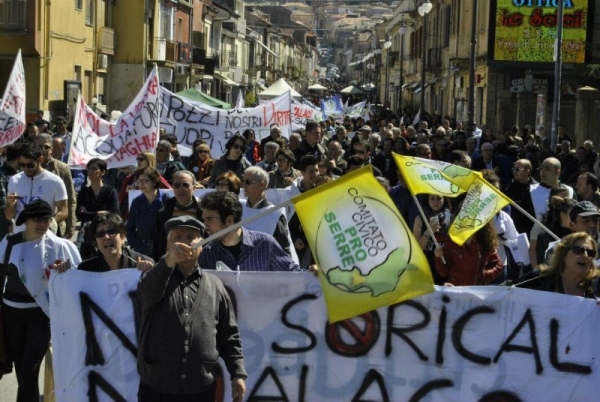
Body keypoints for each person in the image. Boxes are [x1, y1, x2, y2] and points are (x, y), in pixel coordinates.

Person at [137, 216, 246, 401]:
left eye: (190, 237)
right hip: (157, 387)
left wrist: (238, 374)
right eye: (177, 236)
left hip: (201, 389)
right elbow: (148, 292)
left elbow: (229, 335)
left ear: (201, 245)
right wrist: (168, 261)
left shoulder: (215, 286)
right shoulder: (155, 277)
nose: (183, 242)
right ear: (167, 244)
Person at [0, 200, 81, 402]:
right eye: (37, 219)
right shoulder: (9, 243)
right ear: (25, 220)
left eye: (46, 219)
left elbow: (79, 279)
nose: (42, 224)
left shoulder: (61, 247)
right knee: (22, 371)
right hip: (11, 315)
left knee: (30, 369)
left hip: (41, 315)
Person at [199, 191, 301, 271]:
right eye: (204, 220)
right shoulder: (208, 253)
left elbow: (292, 274)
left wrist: (312, 272)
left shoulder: (265, 244)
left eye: (210, 219)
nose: (205, 225)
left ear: (229, 220)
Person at [5, 143, 68, 234]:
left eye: (30, 165)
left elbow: (63, 211)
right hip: (20, 235)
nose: (26, 169)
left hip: (44, 235)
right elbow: (9, 216)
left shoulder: (55, 181)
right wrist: (10, 204)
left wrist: (50, 223)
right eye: (22, 165)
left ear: (40, 160)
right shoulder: (14, 180)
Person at [434, 202, 503, 285]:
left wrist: (484, 275)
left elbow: (498, 265)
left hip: (477, 292)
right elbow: (444, 272)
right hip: (456, 291)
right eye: (465, 216)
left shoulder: (485, 240)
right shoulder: (451, 239)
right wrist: (438, 257)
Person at [516, 232, 598, 298]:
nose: (585, 255)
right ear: (564, 254)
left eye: (590, 253)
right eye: (578, 250)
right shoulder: (538, 279)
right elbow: (509, 297)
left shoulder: (597, 286)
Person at [242, 167, 294, 257]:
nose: (244, 185)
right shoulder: (238, 209)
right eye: (243, 181)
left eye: (248, 182)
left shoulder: (275, 214)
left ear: (261, 184)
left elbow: (283, 250)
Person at [153, 170, 204, 260]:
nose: (181, 189)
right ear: (172, 188)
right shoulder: (164, 212)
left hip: (195, 260)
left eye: (185, 185)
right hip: (171, 262)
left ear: (194, 188)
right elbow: (156, 240)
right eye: (177, 185)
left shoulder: (202, 211)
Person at [78, 213, 154, 272]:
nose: (106, 237)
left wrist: (149, 271)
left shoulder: (143, 263)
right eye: (100, 234)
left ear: (123, 237)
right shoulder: (85, 270)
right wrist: (66, 272)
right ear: (95, 242)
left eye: (111, 231)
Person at [76, 158, 120, 259]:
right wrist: (98, 214)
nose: (90, 171)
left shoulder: (110, 191)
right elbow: (79, 215)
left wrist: (88, 213)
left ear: (103, 172)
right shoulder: (84, 192)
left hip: (106, 236)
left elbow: (115, 214)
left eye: (94, 169)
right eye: (89, 169)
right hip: (87, 238)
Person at [126, 168, 168, 258]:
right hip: (142, 251)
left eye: (145, 181)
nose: (141, 184)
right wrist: (135, 244)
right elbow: (129, 227)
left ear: (154, 182)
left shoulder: (166, 200)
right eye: (139, 181)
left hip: (162, 250)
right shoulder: (136, 202)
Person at [118, 151, 171, 218]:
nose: (138, 161)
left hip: (152, 214)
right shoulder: (130, 178)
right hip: (132, 214)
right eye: (138, 159)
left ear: (149, 161)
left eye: (141, 159)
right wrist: (126, 191)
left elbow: (170, 191)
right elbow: (120, 198)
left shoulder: (156, 177)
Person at [412, 194, 451, 285]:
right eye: (432, 199)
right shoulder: (420, 219)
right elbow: (416, 250)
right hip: (426, 265)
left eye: (438, 198)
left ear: (444, 200)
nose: (435, 202)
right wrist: (428, 232)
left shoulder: (451, 218)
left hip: (444, 264)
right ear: (427, 200)